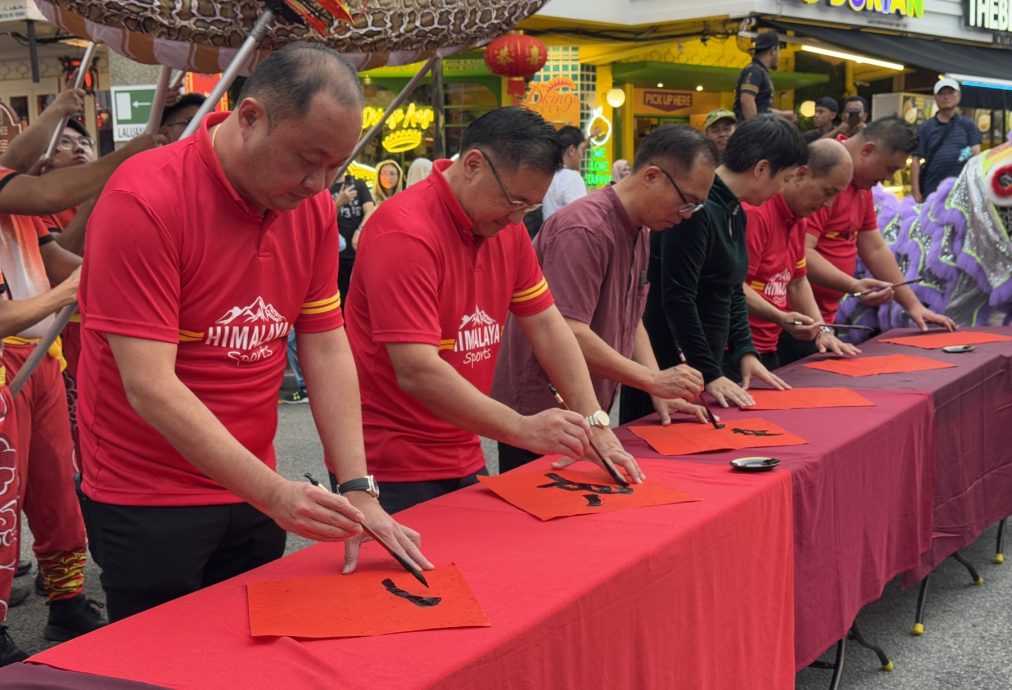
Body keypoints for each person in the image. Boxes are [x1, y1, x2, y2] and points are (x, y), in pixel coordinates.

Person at [76, 42, 430, 623]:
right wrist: (273, 493)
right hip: (149, 491)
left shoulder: (306, 208)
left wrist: (358, 484)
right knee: (156, 659)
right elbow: (149, 386)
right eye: (306, 158)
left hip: (256, 480)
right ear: (249, 116)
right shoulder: (146, 198)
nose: (318, 183)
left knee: (252, 645)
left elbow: (323, 341)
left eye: (334, 166)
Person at [345, 106, 643, 514]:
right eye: (513, 201)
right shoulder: (405, 232)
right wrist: (520, 427)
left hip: (464, 445)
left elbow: (548, 326)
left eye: (530, 208)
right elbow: (417, 370)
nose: (517, 218)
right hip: (393, 462)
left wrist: (595, 422)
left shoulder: (508, 229)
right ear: (473, 165)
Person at [491, 125, 715, 472]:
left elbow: (632, 315)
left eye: (695, 208)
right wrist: (651, 379)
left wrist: (659, 387)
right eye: (687, 202)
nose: (687, 215)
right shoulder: (585, 229)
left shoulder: (641, 226)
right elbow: (568, 331)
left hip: (587, 406)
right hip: (544, 411)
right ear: (652, 176)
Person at [627, 115, 807, 419]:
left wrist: (745, 352)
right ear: (762, 168)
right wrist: (709, 373)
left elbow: (732, 289)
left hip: (705, 364)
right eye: (785, 179)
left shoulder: (735, 211)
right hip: (668, 364)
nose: (781, 189)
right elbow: (677, 298)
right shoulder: (697, 209)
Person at [792, 117, 956, 363]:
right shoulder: (826, 178)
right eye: (889, 169)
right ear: (867, 150)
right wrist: (853, 285)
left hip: (823, 318)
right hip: (796, 320)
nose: (888, 179)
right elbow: (801, 255)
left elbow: (875, 247)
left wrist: (912, 305)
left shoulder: (861, 186)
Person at [0, 267, 80, 665]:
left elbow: (55, 251)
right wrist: (66, 291)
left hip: (44, 353)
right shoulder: (27, 200)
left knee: (59, 489)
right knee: (5, 496)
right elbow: (46, 199)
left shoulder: (29, 217)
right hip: (5, 359)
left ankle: (69, 599)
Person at [743, 139, 860, 370]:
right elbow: (735, 287)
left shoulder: (798, 219)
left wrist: (822, 330)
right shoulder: (757, 213)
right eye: (827, 192)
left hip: (768, 347)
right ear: (801, 174)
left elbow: (797, 282)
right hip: (739, 349)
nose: (828, 204)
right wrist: (780, 317)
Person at [911, 78, 981, 202]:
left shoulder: (968, 125)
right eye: (941, 94)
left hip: (961, 191)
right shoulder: (925, 128)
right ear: (935, 98)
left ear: (959, 96)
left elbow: (976, 156)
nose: (946, 97)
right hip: (932, 190)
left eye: (950, 93)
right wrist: (916, 193)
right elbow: (915, 161)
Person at [733, 32, 797, 123]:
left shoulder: (759, 71)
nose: (779, 57)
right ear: (773, 51)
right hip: (748, 132)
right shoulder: (755, 70)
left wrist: (782, 114)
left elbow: (761, 109)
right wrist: (755, 129)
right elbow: (746, 100)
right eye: (779, 52)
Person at [542, 125, 588, 220]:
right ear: (571, 150)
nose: (582, 155)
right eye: (582, 149)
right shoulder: (573, 178)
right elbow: (580, 217)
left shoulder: (548, 175)